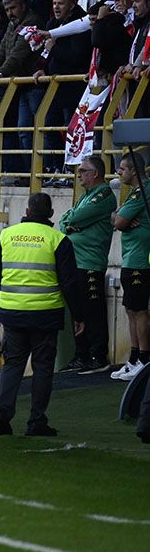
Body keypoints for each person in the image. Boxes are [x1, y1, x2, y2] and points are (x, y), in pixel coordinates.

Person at [0, 193, 84, 437]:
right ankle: (36, 421)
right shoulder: (58, 239)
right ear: (50, 214)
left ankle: (2, 414)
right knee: (42, 368)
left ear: (27, 211)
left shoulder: (6, 236)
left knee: (13, 364)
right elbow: (70, 283)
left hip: (13, 313)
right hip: (45, 314)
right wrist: (78, 316)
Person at [60, 155, 115, 374]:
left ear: (95, 174)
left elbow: (76, 218)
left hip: (91, 262)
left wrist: (74, 224)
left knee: (94, 310)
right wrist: (72, 224)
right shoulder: (85, 195)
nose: (79, 174)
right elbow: (66, 222)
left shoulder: (103, 194)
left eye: (83, 170)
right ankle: (81, 354)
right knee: (78, 311)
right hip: (77, 261)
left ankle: (98, 356)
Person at [112, 151, 150, 381]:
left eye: (122, 169)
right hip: (131, 258)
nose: (119, 173)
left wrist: (120, 218)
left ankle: (144, 359)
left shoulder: (142, 192)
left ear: (134, 171)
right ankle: (135, 357)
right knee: (130, 308)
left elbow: (118, 221)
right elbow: (116, 218)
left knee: (139, 310)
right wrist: (119, 217)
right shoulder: (134, 194)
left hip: (139, 260)